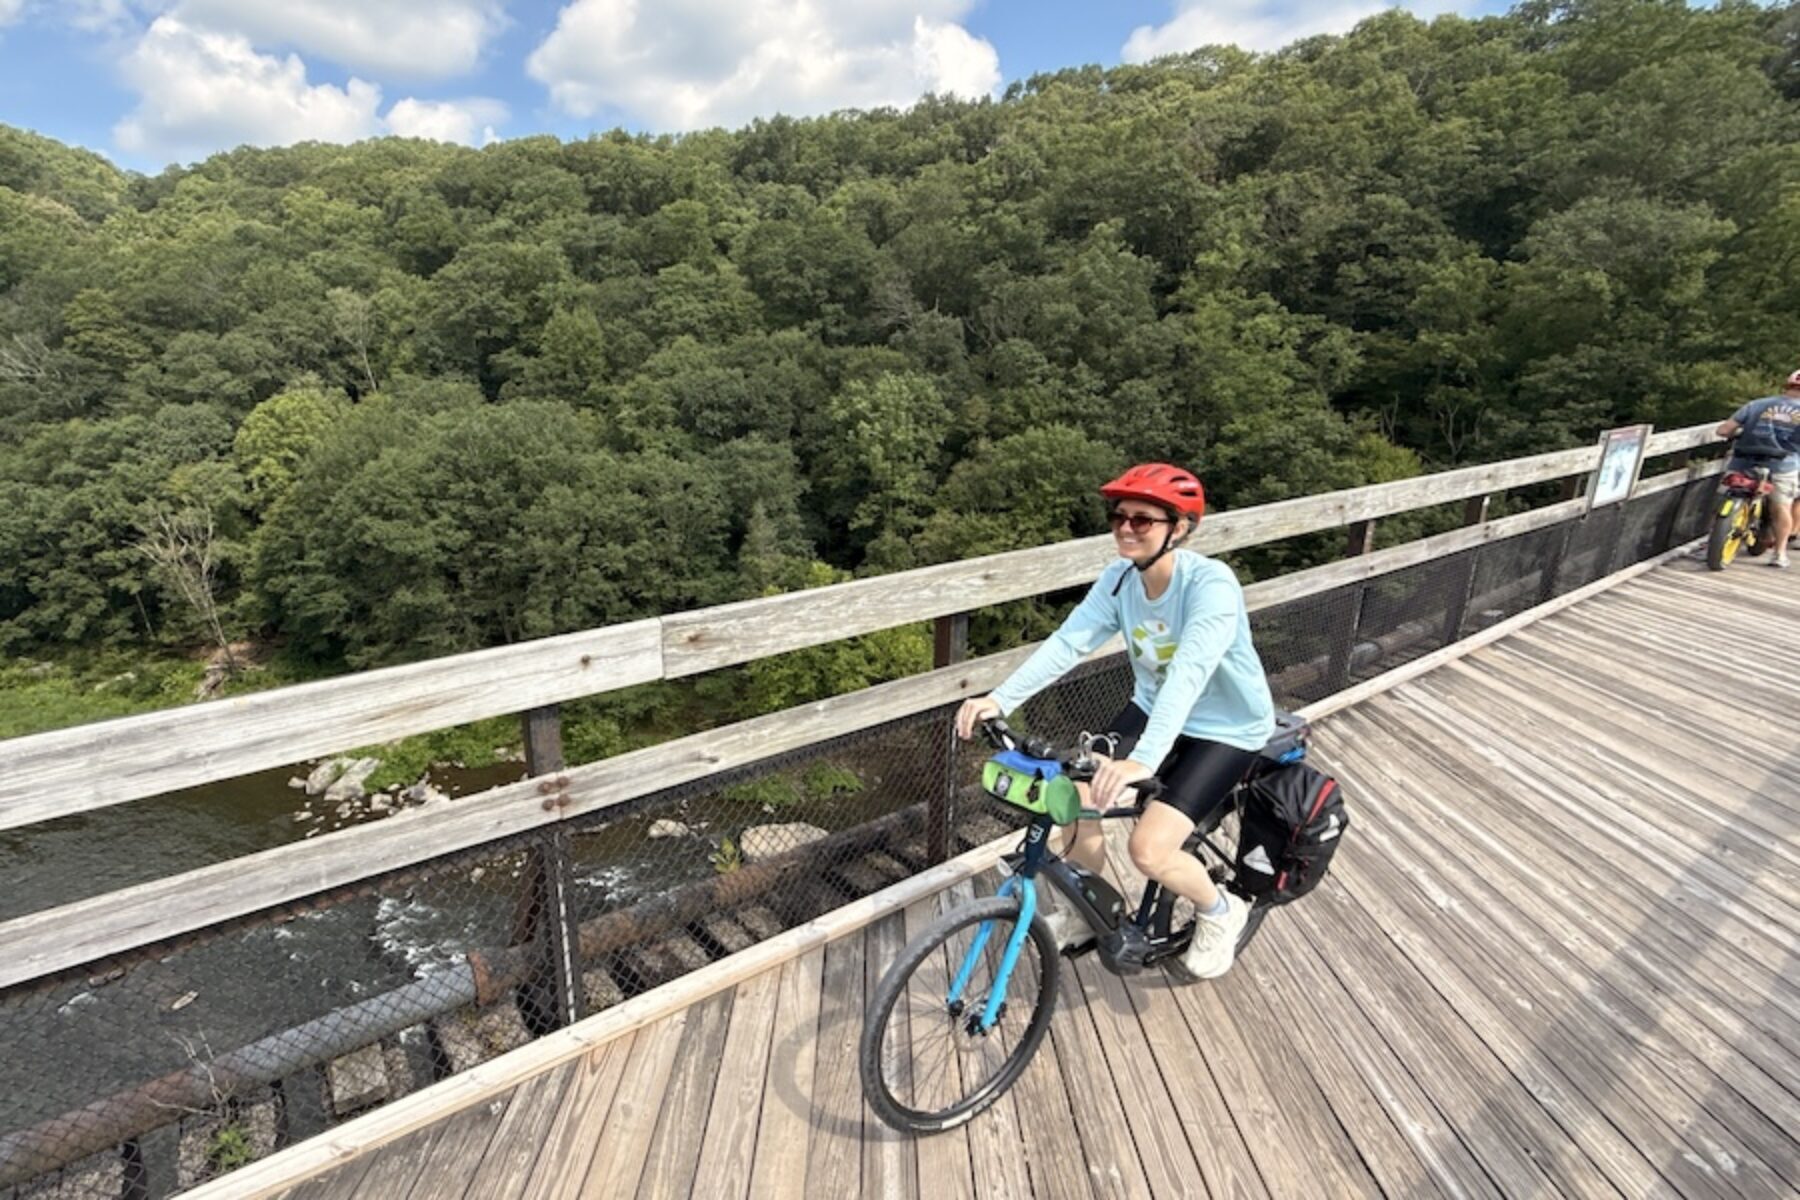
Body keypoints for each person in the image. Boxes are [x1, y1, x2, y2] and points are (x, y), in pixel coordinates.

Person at [955, 463, 1276, 979]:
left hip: (1225, 728)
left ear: (1181, 528)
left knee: (1148, 849)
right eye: (1119, 517)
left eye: (1143, 520)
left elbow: (1188, 675)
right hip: (1152, 708)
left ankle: (1220, 911)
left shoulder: (1211, 586)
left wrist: (1140, 761)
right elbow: (1070, 641)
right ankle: (1088, 915)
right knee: (1078, 799)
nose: (1126, 528)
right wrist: (1001, 697)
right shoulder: (1120, 579)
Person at [1716, 370, 1800, 568]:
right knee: (1781, 507)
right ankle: (1779, 554)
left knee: (1725, 496)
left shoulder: (1757, 404)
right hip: (1782, 464)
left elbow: (1723, 430)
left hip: (1743, 461)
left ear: (1786, 386)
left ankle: (1717, 535)